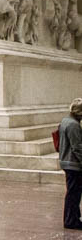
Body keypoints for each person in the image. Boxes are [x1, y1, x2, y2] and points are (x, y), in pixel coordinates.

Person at [60, 98, 82, 230]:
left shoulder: (65, 121)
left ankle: (73, 217)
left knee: (72, 193)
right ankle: (71, 220)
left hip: (67, 162)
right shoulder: (73, 125)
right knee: (73, 194)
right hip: (73, 164)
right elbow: (77, 147)